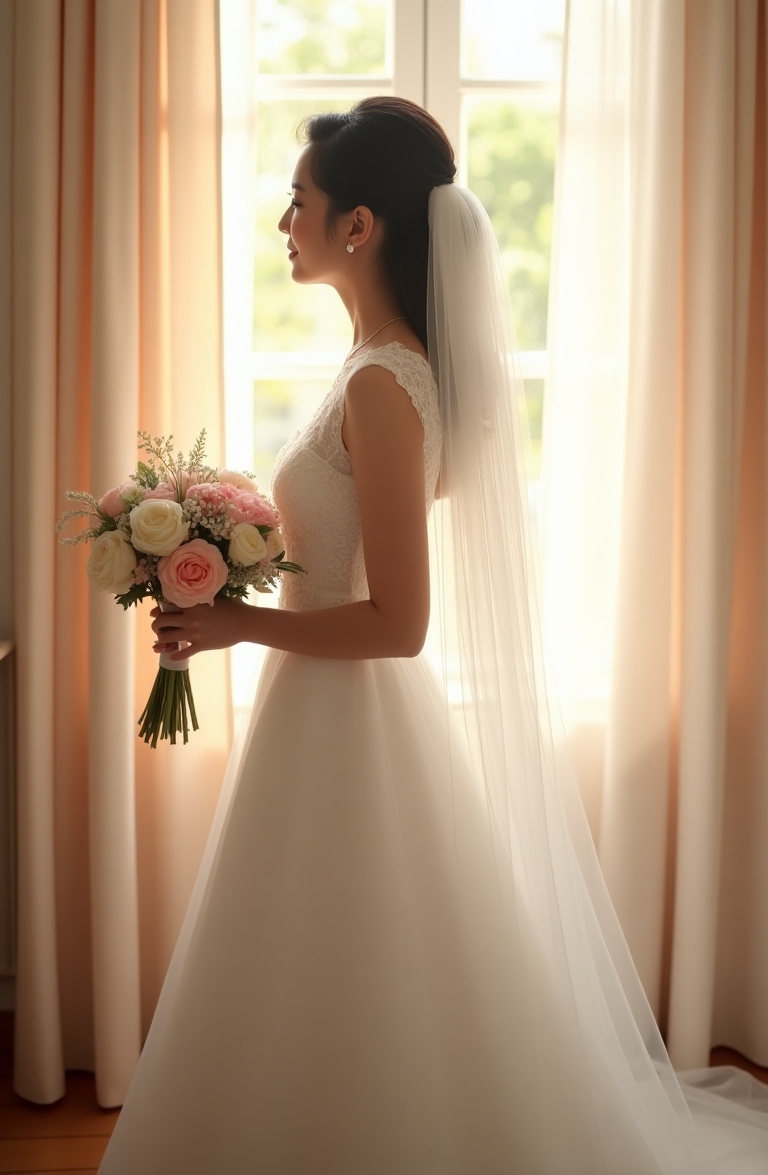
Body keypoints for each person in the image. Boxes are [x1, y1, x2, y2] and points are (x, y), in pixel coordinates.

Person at [99, 98, 768, 1173]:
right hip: (322, 705)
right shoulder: (376, 362)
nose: (284, 221)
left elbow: (401, 624)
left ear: (358, 225)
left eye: (299, 201)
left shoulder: (383, 381)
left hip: (351, 710)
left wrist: (234, 623)